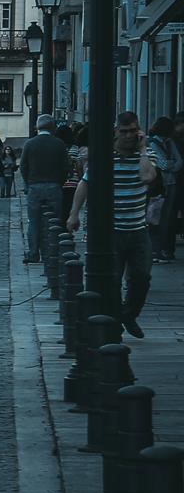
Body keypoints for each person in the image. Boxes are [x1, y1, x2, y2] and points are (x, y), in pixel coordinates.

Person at [67, 111, 158, 338]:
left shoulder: (146, 156)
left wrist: (143, 149)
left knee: (142, 278)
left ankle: (128, 314)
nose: (128, 136)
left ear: (139, 132)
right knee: (112, 280)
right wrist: (73, 214)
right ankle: (116, 322)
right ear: (116, 131)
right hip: (112, 230)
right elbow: (84, 185)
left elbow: (148, 177)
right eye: (123, 131)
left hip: (138, 229)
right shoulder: (105, 157)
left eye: (132, 131)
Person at [21, 114, 69, 263]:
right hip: (54, 186)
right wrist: (60, 182)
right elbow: (65, 167)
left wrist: (27, 184)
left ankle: (34, 253)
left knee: (34, 222)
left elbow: (23, 166)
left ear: (37, 127)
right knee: (55, 221)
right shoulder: (59, 144)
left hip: (35, 187)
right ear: (52, 127)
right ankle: (52, 252)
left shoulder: (30, 144)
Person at [148, 116, 180, 262]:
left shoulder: (169, 142)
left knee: (167, 218)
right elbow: (162, 164)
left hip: (171, 183)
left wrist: (170, 164)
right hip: (159, 186)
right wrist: (171, 164)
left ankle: (162, 248)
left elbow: (180, 161)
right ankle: (157, 249)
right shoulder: (152, 143)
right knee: (156, 217)